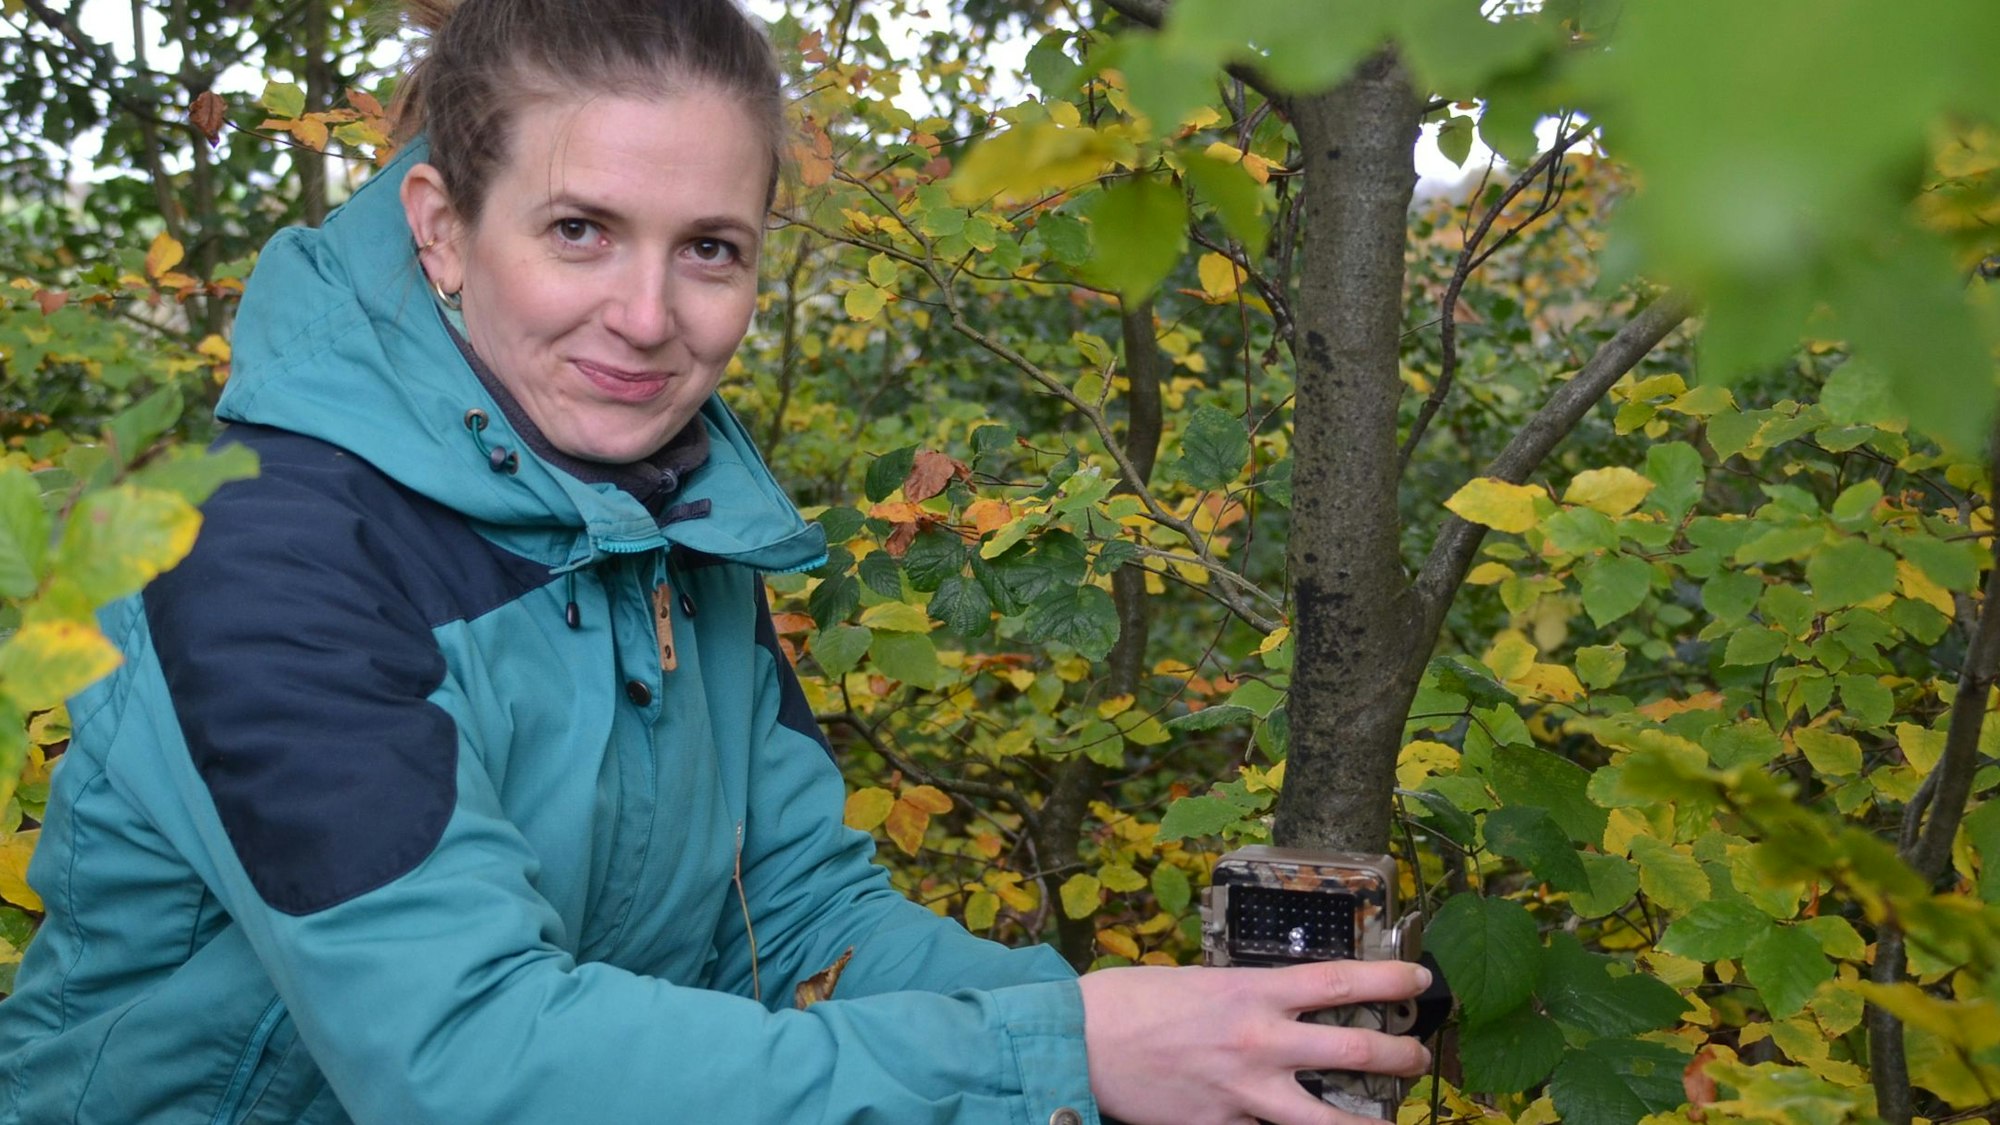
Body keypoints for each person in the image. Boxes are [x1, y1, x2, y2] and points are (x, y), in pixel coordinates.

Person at [0, 1, 1432, 1122]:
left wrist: (1178, 1036)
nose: (646, 316)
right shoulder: (262, 556)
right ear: (442, 230)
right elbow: (467, 1061)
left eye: (710, 250)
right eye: (580, 231)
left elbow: (799, 921)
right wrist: (1054, 1054)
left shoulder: (664, 528)